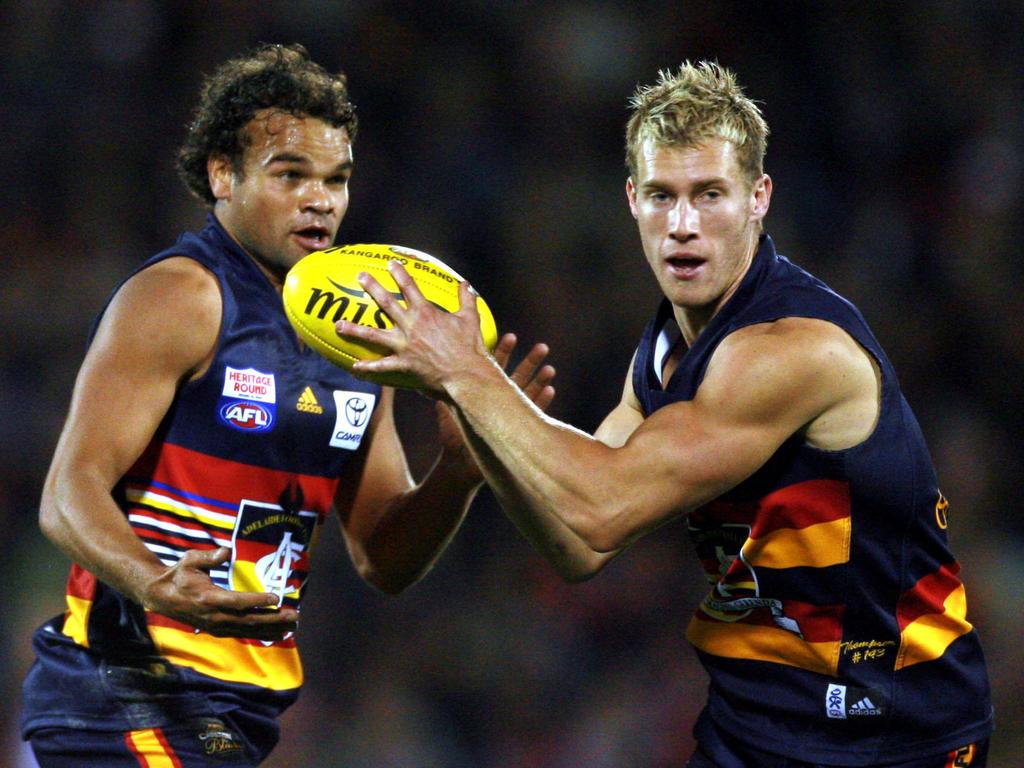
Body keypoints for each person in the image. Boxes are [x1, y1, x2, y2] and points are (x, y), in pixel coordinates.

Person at [338, 61, 994, 767]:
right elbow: (579, 546)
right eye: (662, 196)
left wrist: (466, 372)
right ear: (631, 200)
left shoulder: (792, 349)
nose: (683, 225)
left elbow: (605, 506)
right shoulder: (661, 352)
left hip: (892, 736)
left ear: (758, 197)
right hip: (754, 727)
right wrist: (483, 446)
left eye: (710, 195)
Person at [20, 43, 554, 767]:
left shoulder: (360, 331)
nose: (320, 200)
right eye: (290, 174)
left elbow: (384, 558)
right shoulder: (182, 296)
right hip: (129, 689)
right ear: (222, 175)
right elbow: (66, 493)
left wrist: (458, 473)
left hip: (236, 708)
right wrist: (154, 583)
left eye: (336, 179)